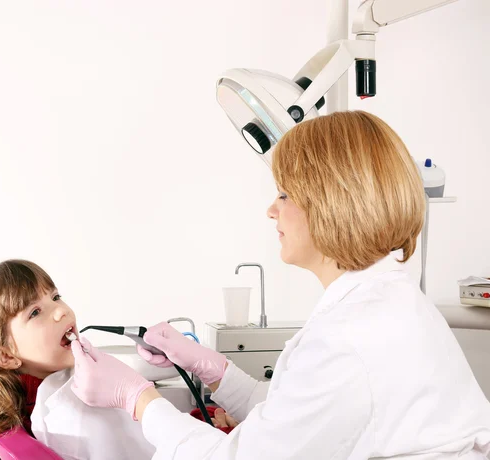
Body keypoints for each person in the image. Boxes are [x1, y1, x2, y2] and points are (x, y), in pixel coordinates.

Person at [69, 110, 490, 459]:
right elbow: (292, 419)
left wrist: (136, 397)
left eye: (285, 195)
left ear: (331, 203)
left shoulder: (352, 338)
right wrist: (210, 367)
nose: (271, 210)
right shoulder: (384, 304)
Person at [0, 259, 155, 460]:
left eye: (56, 297)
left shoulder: (63, 388)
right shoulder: (61, 412)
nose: (61, 311)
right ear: (6, 355)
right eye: (35, 312)